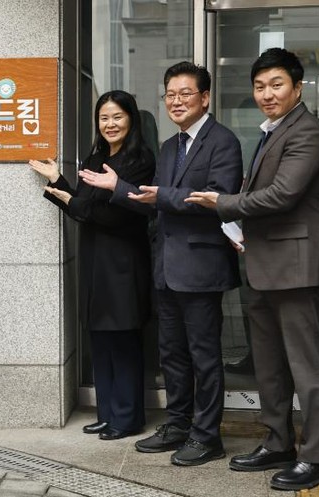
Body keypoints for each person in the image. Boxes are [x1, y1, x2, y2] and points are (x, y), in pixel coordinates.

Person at [186, 48, 319, 491]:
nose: (267, 94)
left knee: (307, 369)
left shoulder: (308, 131)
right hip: (263, 264)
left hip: (298, 269)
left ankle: (316, 458)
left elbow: (283, 195)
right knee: (269, 365)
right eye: (259, 86)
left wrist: (223, 203)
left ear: (297, 88)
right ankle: (278, 443)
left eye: (276, 84)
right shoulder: (273, 132)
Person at [80, 62, 242, 466]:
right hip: (166, 269)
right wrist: (119, 188)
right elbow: (153, 204)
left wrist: (153, 195)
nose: (176, 101)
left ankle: (207, 436)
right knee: (172, 355)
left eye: (186, 93)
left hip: (201, 269)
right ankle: (177, 424)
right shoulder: (170, 147)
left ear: (205, 98)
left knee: (204, 358)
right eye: (170, 94)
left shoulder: (222, 141)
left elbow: (218, 199)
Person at [31, 91, 155, 441]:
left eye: (117, 117)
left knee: (124, 340)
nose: (110, 124)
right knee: (99, 338)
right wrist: (57, 181)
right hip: (95, 260)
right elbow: (82, 208)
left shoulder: (141, 160)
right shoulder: (96, 157)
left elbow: (115, 216)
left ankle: (128, 418)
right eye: (104, 118)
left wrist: (76, 203)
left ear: (131, 119)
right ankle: (108, 412)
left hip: (123, 263)